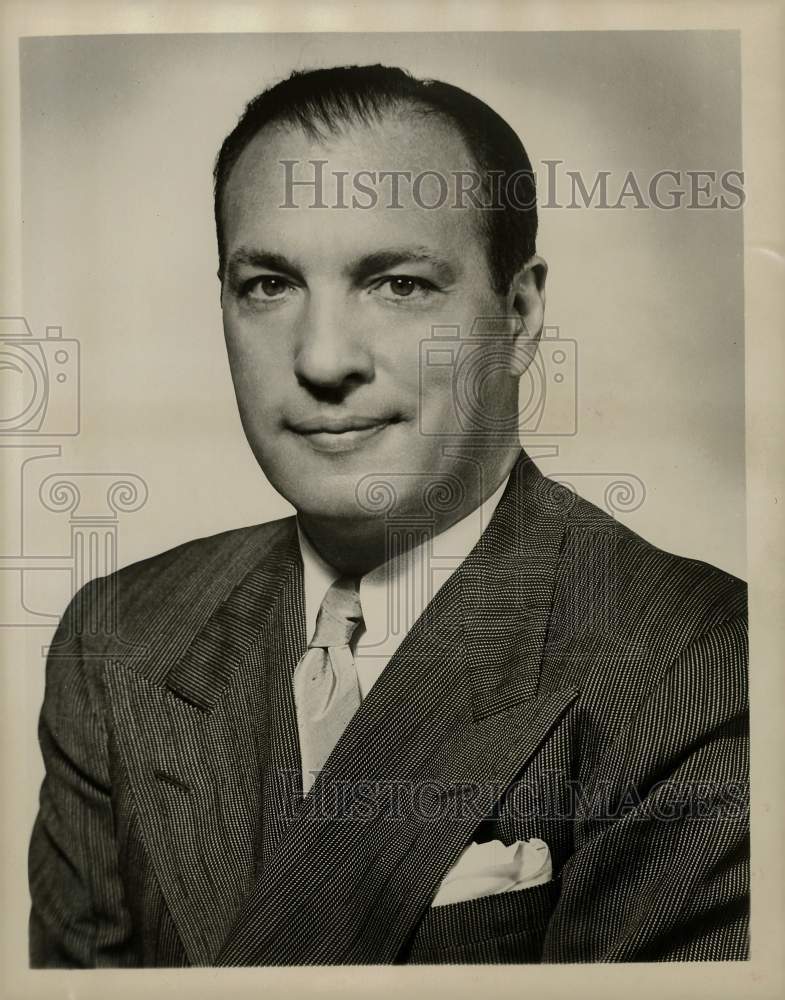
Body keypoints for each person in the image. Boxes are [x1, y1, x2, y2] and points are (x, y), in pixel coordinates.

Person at [28, 64, 748, 967]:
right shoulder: (118, 637)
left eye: (398, 284)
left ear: (518, 316)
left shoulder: (703, 662)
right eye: (268, 285)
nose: (324, 359)